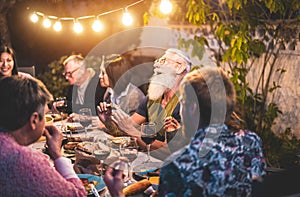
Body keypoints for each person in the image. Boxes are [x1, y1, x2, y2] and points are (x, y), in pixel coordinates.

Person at [103, 67, 266, 196]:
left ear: (192, 108)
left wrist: (117, 193)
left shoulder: (178, 165)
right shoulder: (251, 141)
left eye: (182, 103)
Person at [0, 76, 86, 196]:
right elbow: (78, 194)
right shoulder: (23, 161)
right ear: (34, 120)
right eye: (45, 115)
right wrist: (57, 154)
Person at [98, 48, 191, 158]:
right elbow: (124, 129)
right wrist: (107, 121)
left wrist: (133, 132)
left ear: (179, 67)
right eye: (158, 61)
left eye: (163, 61)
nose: (156, 65)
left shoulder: (186, 105)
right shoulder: (152, 99)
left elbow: (170, 151)